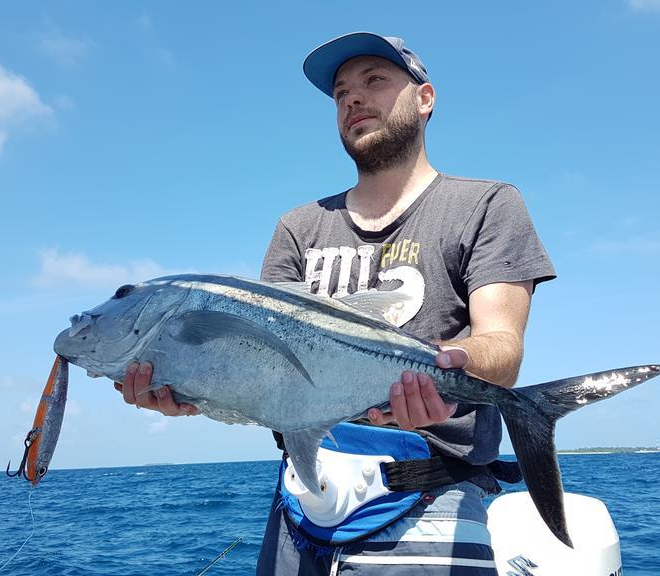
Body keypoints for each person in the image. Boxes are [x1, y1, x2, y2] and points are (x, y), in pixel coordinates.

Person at [116, 32, 555, 575]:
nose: (352, 99)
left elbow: (502, 347)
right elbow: (267, 375)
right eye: (341, 92)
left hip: (429, 501)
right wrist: (190, 390)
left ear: (425, 98)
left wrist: (449, 366)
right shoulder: (299, 228)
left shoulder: (486, 204)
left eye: (374, 80)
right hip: (301, 504)